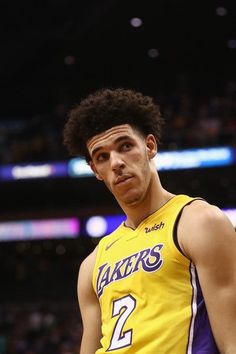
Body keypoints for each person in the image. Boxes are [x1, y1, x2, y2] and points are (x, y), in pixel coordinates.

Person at [63, 88, 236, 354]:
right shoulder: (92, 265)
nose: (116, 162)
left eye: (125, 146)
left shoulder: (199, 221)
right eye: (102, 157)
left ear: (150, 146)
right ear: (95, 171)